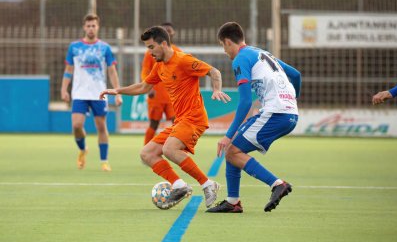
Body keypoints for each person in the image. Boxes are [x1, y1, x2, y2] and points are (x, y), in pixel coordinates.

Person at [100, 26, 231, 209]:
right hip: (181, 120)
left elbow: (214, 72)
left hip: (194, 118)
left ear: (163, 43)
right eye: (147, 48)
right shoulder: (159, 67)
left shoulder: (183, 59)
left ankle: (207, 184)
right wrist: (117, 90)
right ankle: (179, 186)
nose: (150, 52)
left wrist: (216, 89)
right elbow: (143, 87)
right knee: (147, 153)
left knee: (169, 149)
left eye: (151, 47)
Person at [206, 22, 302, 213]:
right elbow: (296, 75)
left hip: (276, 113)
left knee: (232, 150)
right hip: (288, 113)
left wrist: (227, 134)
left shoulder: (240, 59)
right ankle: (233, 202)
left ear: (227, 42)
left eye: (223, 46)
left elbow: (244, 102)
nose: (225, 51)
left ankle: (277, 184)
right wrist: (293, 99)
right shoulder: (262, 53)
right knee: (234, 149)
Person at [61, 13, 123, 172]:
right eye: (88, 26)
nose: (90, 28)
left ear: (98, 27)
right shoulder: (74, 47)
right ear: (84, 27)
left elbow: (112, 71)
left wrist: (117, 93)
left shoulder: (105, 48)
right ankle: (82, 149)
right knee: (76, 125)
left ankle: (104, 161)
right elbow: (68, 70)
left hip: (99, 93)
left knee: (101, 127)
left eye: (93, 25)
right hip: (79, 93)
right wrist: (64, 89)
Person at [141, 22, 180, 145]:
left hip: (172, 96)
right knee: (154, 124)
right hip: (156, 95)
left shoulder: (178, 52)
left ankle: (177, 148)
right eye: (165, 30)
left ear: (173, 34)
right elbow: (145, 71)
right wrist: (149, 87)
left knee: (177, 123)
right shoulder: (151, 52)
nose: (168, 33)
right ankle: (146, 150)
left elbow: (182, 74)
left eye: (170, 31)